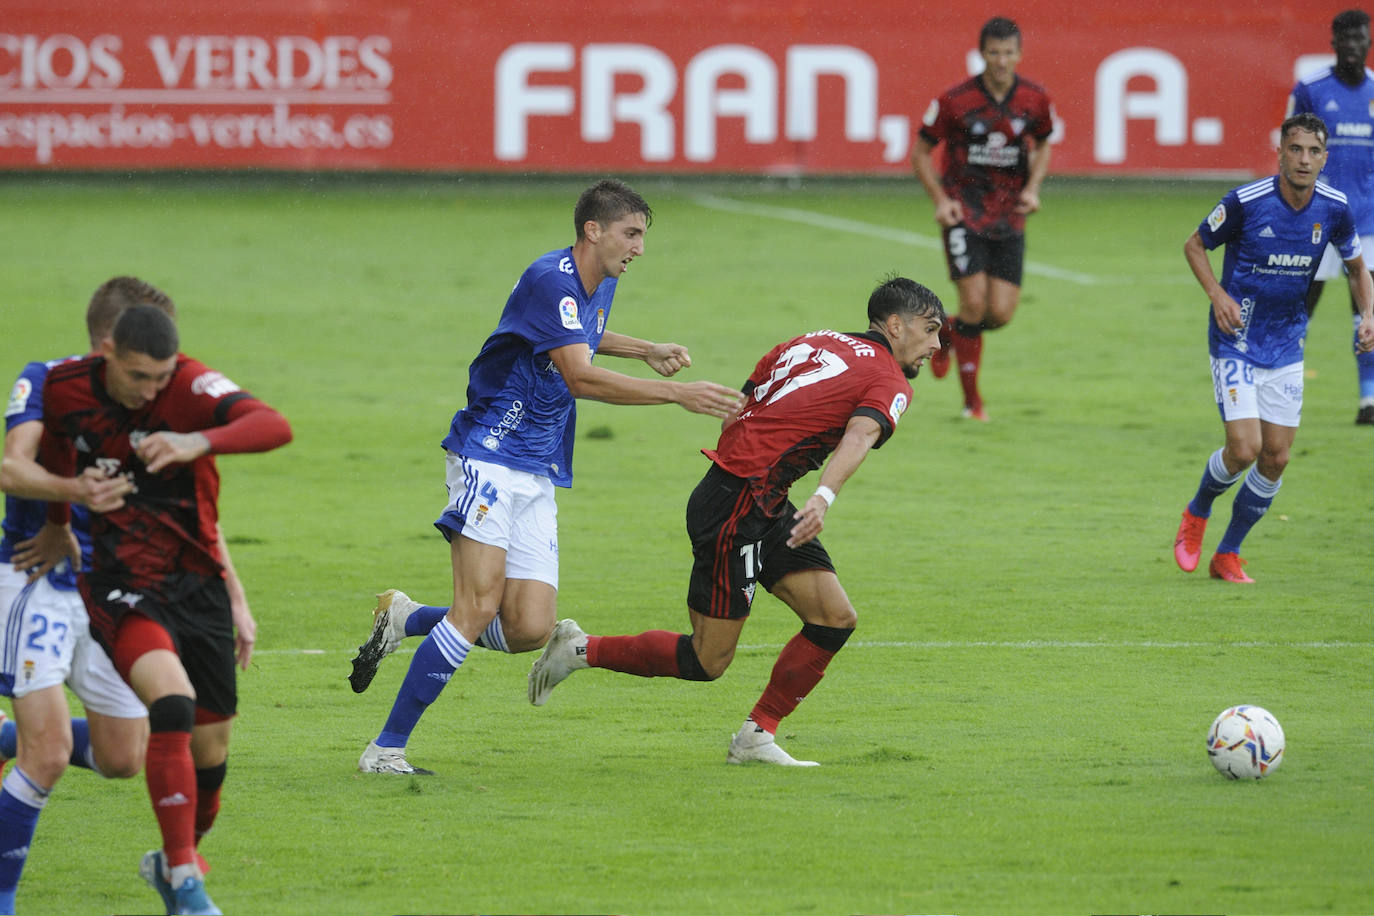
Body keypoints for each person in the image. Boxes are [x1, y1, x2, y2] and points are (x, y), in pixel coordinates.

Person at [350, 178, 743, 776]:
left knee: (529, 627)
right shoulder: (552, 279)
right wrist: (676, 393)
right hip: (489, 453)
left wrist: (642, 348)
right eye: (631, 234)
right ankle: (386, 750)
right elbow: (580, 376)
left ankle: (403, 617)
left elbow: (578, 333)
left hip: (536, 467)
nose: (639, 248)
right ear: (594, 230)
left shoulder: (597, 281)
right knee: (476, 609)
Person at [525, 276, 945, 766]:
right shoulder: (889, 380)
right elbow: (860, 436)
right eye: (930, 329)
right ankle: (579, 649)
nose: (937, 345)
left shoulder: (812, 341)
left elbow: (738, 411)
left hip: (756, 496)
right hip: (739, 505)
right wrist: (823, 497)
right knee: (706, 660)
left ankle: (755, 736)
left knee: (833, 618)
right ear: (895, 325)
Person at [8, 303, 292, 914]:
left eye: (161, 377)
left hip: (194, 587)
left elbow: (271, 430)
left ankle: (171, 862)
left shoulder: (187, 389)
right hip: (102, 580)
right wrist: (62, 516)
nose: (153, 390)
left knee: (181, 753)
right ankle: (187, 882)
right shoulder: (59, 386)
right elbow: (39, 459)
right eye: (140, 376)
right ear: (105, 350)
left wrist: (199, 439)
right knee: (161, 705)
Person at [1173, 113, 1374, 583]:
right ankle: (1198, 509)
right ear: (1280, 152)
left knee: (1277, 457)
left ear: (1325, 158)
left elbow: (1357, 267)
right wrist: (1219, 296)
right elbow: (1194, 245)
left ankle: (1228, 554)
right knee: (1244, 448)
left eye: (1313, 151)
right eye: (1296, 149)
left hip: (1287, 342)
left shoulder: (1335, 208)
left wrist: (1368, 314)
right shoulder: (1246, 202)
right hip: (1236, 338)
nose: (1304, 160)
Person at [910, 16, 1053, 421]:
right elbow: (920, 154)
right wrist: (940, 199)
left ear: (1019, 54)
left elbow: (1044, 144)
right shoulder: (955, 100)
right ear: (982, 53)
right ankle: (973, 403)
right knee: (973, 304)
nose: (1001, 61)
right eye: (994, 53)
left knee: (1000, 314)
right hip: (964, 212)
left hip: (1010, 217)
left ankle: (949, 334)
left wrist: (1033, 188)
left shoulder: (1035, 98)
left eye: (1009, 53)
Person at [1287, 9, 1374, 424]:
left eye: (1362, 38)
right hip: (1316, 221)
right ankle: (1286, 394)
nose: (1355, 46)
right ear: (1334, 43)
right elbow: (1290, 153)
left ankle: (1368, 400)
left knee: (1367, 314)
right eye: (1347, 39)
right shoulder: (1311, 90)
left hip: (1369, 222)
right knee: (1300, 309)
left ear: (1369, 43)